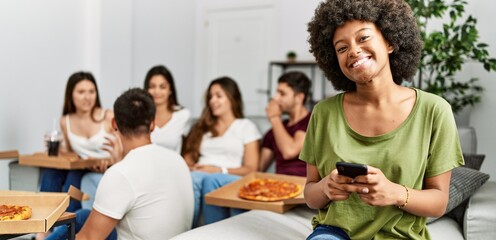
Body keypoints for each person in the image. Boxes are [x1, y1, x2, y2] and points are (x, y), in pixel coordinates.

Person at [300, 0, 464, 239]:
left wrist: (395, 193)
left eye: (363, 38)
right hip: (334, 233)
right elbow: (310, 195)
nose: (354, 51)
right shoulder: (324, 113)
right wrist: (326, 187)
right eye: (341, 48)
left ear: (389, 41)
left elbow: (438, 201)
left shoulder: (434, 110)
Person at [47, 88, 194, 240]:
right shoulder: (178, 160)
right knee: (84, 215)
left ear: (114, 123)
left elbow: (88, 238)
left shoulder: (120, 173)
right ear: (152, 124)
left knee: (79, 222)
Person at [80, 64, 190, 209]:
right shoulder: (138, 113)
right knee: (88, 179)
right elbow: (127, 147)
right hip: (137, 168)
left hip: (165, 170)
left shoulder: (182, 116)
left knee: (83, 215)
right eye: (152, 86)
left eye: (162, 86)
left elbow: (190, 147)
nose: (157, 91)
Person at [182, 77, 261, 226]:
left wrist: (219, 170)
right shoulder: (201, 128)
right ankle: (186, 232)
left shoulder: (245, 126)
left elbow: (251, 169)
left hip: (229, 176)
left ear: (232, 98)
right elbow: (187, 161)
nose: (212, 101)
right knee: (194, 178)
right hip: (199, 175)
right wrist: (193, 168)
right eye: (210, 97)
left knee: (210, 180)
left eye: (219, 96)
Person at [39, 72, 114, 213]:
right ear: (71, 94)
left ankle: (68, 225)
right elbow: (71, 154)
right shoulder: (65, 121)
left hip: (105, 166)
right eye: (81, 92)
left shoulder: (108, 116)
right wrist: (58, 150)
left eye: (91, 91)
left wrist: (106, 161)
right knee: (51, 171)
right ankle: (43, 229)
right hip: (80, 165)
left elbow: (122, 149)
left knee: (74, 175)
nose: (87, 97)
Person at [259, 71, 311, 177]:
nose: (275, 99)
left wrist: (274, 117)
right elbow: (259, 169)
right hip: (278, 186)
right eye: (276, 93)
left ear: (299, 97)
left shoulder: (312, 121)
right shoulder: (276, 130)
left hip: (303, 186)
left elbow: (289, 151)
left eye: (282, 94)